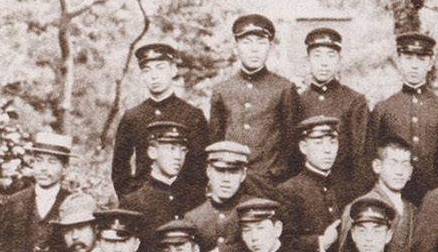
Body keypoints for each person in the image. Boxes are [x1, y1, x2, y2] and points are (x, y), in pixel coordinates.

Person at [367, 32, 438, 203]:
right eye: (408, 58)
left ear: (430, 63)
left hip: (436, 197)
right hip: (394, 197)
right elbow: (371, 157)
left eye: (421, 59)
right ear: (399, 60)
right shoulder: (384, 109)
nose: (414, 66)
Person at [209, 14, 300, 184]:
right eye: (247, 42)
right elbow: (216, 140)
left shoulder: (284, 88)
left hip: (270, 182)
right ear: (236, 48)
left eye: (261, 42)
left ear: (269, 47)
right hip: (231, 181)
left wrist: (277, 173)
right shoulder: (222, 90)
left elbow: (292, 141)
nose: (254, 49)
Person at [112, 42, 209, 198]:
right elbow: (119, 167)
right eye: (147, 70)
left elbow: (200, 167)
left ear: (173, 70)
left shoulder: (192, 115)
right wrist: (131, 198)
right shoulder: (133, 116)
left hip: (183, 200)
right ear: (142, 76)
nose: (154, 76)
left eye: (160, 68)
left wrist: (191, 200)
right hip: (143, 201)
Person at [0, 131, 74, 252]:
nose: (43, 168)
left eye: (51, 162)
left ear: (64, 169)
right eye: (38, 161)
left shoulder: (71, 203)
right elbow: (0, 249)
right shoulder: (14, 202)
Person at [297, 26, 371, 186]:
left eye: (331, 56)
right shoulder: (297, 101)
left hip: (344, 186)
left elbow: (361, 155)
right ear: (307, 61)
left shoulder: (354, 101)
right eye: (317, 56)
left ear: (339, 61)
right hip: (305, 187)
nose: (324, 63)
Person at [341, 137, 426, 252]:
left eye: (404, 165)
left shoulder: (413, 210)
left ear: (410, 172)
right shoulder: (359, 206)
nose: (399, 171)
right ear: (377, 166)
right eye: (393, 163)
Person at [274, 116, 351, 252]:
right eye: (318, 142)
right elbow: (283, 242)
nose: (327, 150)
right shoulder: (288, 191)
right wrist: (320, 242)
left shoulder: (346, 188)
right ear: (303, 147)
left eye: (332, 142)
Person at [120, 120, 204, 239]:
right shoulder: (133, 203)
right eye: (171, 149)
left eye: (183, 150)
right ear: (152, 152)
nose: (178, 157)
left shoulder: (197, 198)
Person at [183, 141, 256, 252]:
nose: (226, 179)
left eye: (233, 172)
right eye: (220, 171)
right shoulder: (193, 217)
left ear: (243, 175)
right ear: (209, 171)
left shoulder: (255, 208)